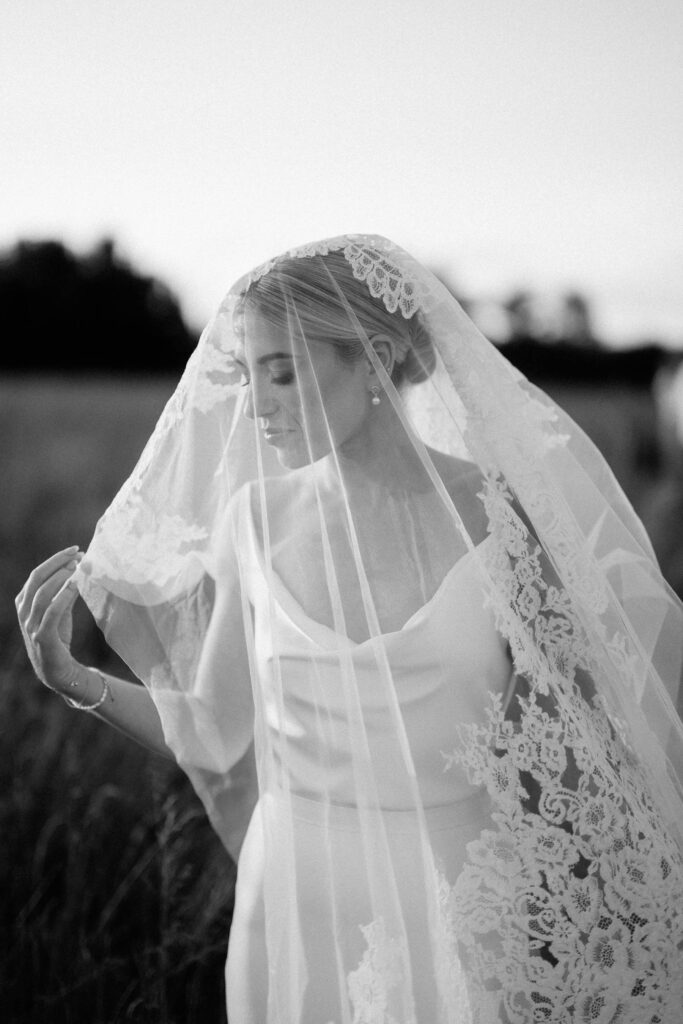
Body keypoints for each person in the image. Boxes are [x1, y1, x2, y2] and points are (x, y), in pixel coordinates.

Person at [17, 235, 683, 1023]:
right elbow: (215, 731)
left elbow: (570, 763)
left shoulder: (502, 524)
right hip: (291, 905)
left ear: (371, 360)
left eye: (283, 370)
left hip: (458, 908)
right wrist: (80, 683)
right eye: (246, 374)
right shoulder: (254, 522)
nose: (256, 404)